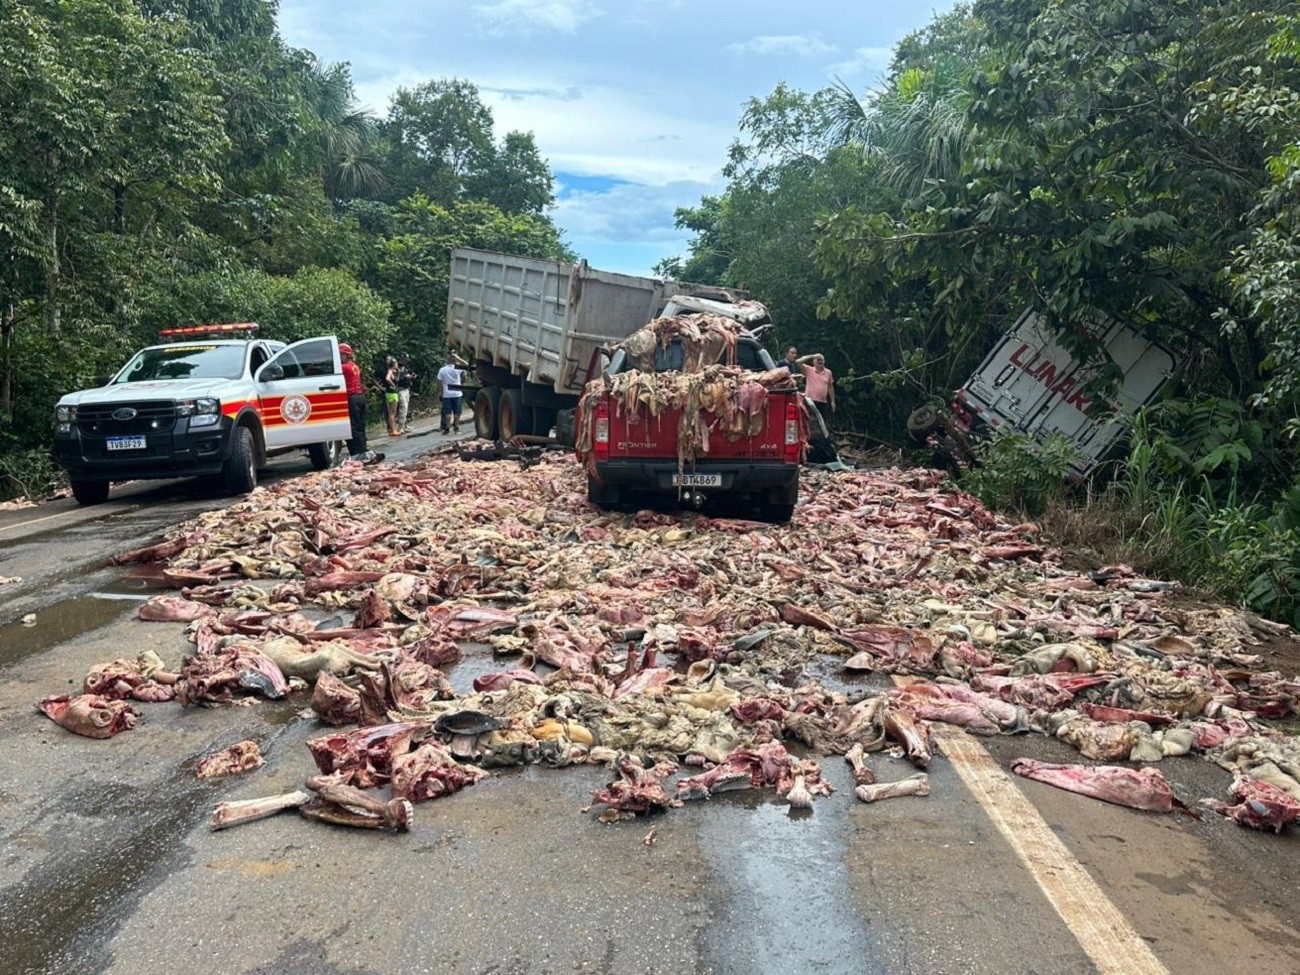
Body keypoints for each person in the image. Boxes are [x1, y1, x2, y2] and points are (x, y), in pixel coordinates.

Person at [340, 343, 382, 464]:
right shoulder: (354, 366)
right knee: (360, 425)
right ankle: (363, 449)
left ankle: (357, 453)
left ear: (346, 355)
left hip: (351, 397)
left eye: (340, 355)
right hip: (360, 397)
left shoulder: (344, 367)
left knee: (353, 426)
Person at [796, 352, 836, 426]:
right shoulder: (809, 370)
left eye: (822, 360)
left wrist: (833, 401)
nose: (820, 361)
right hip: (810, 401)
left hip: (822, 402)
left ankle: (821, 437)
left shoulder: (828, 372)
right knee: (809, 422)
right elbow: (798, 361)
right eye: (818, 360)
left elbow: (830, 387)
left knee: (822, 423)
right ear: (813, 362)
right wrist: (813, 355)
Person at [437, 352, 466, 435]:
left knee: (448, 412)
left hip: (447, 393)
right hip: (457, 393)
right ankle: (456, 428)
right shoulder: (457, 368)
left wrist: (441, 393)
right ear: (454, 360)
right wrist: (459, 359)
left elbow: (439, 383)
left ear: (447, 360)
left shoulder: (442, 370)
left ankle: (447, 428)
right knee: (457, 412)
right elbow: (467, 365)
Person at [395, 355, 417, 434]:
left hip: (406, 389)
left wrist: (412, 376)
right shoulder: (396, 368)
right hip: (400, 390)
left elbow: (413, 375)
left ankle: (404, 425)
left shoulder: (406, 368)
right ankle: (400, 427)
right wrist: (405, 377)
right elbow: (397, 379)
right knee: (402, 408)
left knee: (406, 408)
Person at [381, 356, 400, 436]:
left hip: (391, 393)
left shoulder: (394, 371)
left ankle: (392, 429)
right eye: (396, 364)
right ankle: (392, 430)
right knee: (392, 412)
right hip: (392, 393)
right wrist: (393, 385)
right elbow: (387, 378)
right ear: (393, 364)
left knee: (392, 412)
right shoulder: (390, 371)